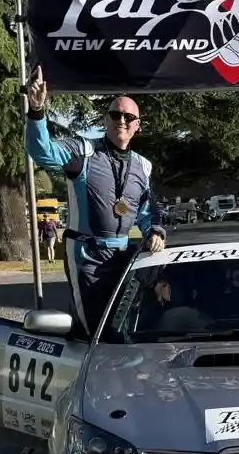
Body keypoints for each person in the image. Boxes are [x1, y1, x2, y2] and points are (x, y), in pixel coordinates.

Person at [25, 67, 165, 336]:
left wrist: (155, 232)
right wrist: (37, 110)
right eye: (115, 114)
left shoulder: (143, 166)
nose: (121, 120)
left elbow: (147, 212)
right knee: (93, 329)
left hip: (124, 254)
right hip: (86, 255)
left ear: (137, 124)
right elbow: (40, 151)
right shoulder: (83, 152)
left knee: (124, 324)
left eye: (128, 116)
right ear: (106, 119)